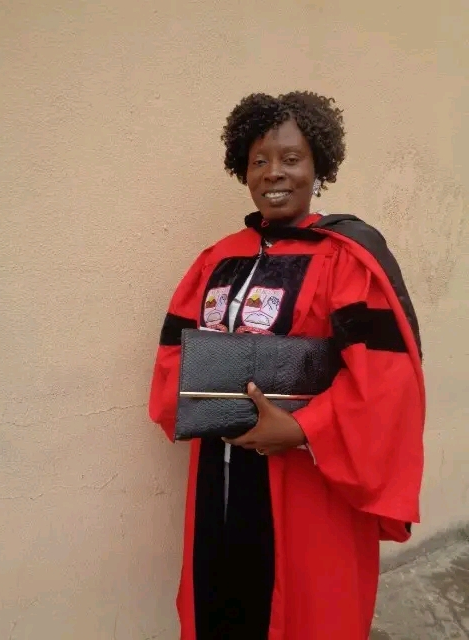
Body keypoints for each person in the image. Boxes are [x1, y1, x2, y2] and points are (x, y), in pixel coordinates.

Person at [149, 91, 425, 640]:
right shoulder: (217, 259)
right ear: (243, 170)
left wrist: (302, 429)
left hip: (307, 480)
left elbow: (385, 381)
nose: (274, 172)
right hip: (220, 473)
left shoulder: (348, 257)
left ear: (319, 166)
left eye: (291, 158)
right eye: (259, 160)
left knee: (305, 611)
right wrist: (199, 406)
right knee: (219, 601)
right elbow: (174, 355)